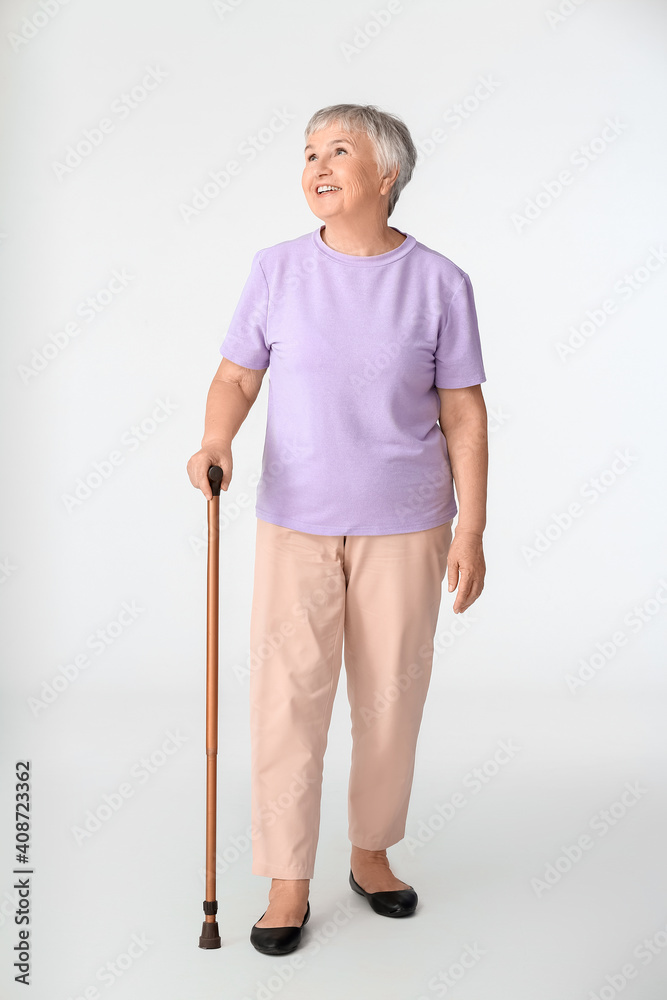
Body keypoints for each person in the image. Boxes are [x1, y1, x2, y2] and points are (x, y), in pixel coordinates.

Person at [186, 103, 488, 956]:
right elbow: (236, 377)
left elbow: (463, 412)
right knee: (286, 701)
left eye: (339, 151)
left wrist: (471, 527)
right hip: (296, 523)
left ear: (385, 176)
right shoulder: (276, 269)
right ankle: (287, 878)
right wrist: (215, 439)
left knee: (388, 701)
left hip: (408, 523)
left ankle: (370, 854)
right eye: (309, 152)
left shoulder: (439, 282)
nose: (317, 165)